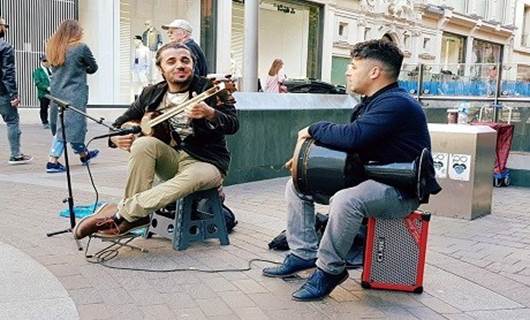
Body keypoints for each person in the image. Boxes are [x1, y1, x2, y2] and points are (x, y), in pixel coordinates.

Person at [262, 39, 441, 301]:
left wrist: (313, 128)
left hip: (400, 191)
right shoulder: (373, 102)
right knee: (297, 184)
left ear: (375, 72)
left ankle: (329, 270)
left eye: (354, 66)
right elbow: (354, 147)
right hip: (370, 180)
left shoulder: (397, 103)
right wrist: (302, 163)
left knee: (347, 200)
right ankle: (303, 254)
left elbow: (355, 137)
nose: (348, 71)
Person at [72, 42, 238, 240]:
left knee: (188, 179)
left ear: (193, 64)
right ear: (161, 69)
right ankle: (135, 216)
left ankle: (123, 213)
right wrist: (117, 138)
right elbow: (119, 123)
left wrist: (210, 113)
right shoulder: (151, 93)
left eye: (185, 60)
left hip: (206, 162)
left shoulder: (210, 89)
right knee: (143, 144)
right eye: (171, 61)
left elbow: (233, 124)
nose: (180, 65)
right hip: (171, 159)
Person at [45, 20, 99, 173]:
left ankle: (84, 154)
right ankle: (52, 161)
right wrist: (81, 68)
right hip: (74, 92)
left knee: (71, 125)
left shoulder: (52, 47)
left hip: (56, 92)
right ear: (76, 31)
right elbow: (93, 67)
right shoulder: (81, 47)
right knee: (69, 126)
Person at [0, 17, 33, 165]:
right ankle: (15, 154)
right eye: (5, 25)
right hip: (2, 93)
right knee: (12, 121)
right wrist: (14, 95)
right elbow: (8, 73)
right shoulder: (5, 47)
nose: (6, 28)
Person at [32, 55, 52, 129]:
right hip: (43, 94)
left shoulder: (52, 70)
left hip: (53, 93)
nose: (47, 62)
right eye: (44, 61)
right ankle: (45, 122)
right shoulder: (37, 71)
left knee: (55, 108)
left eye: (48, 60)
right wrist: (47, 88)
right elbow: (37, 83)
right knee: (44, 108)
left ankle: (54, 122)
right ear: (41, 62)